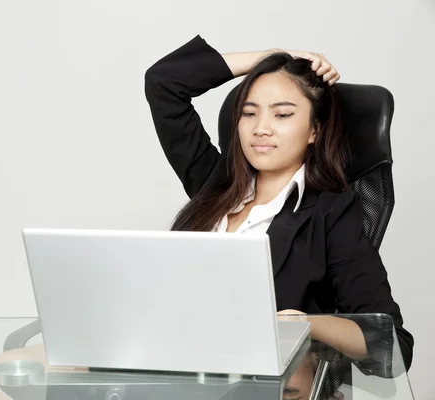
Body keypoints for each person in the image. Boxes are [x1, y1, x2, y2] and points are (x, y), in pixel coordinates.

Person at [144, 35, 413, 372]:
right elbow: (164, 83)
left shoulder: (331, 214)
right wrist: (279, 56)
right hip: (173, 367)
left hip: (261, 382)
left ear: (314, 130)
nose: (261, 129)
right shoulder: (213, 182)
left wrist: (306, 325)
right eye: (248, 113)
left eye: (282, 115)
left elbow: (390, 345)